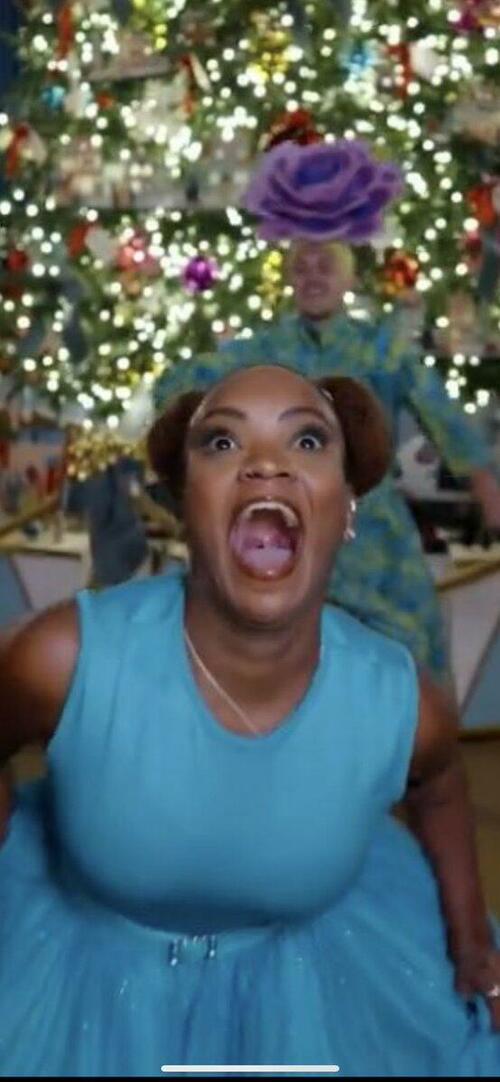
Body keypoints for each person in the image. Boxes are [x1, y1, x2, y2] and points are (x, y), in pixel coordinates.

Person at [1, 361, 500, 1077]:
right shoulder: (64, 658)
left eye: (307, 441)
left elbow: (440, 785)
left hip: (314, 986)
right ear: (185, 502)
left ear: (347, 507)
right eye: (223, 442)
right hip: (80, 986)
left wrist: (471, 942)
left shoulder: (400, 703)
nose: (266, 464)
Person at [181, 239, 500, 683]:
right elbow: (183, 389)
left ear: (349, 280)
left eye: (325, 266)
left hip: (375, 527)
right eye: (302, 267)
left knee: (413, 653)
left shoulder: (383, 347)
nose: (313, 276)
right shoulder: (262, 350)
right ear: (290, 280)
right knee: (282, 660)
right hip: (288, 521)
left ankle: (412, 726)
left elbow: (442, 413)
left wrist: (485, 485)